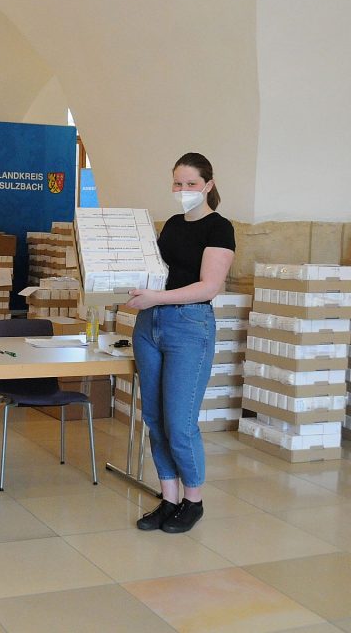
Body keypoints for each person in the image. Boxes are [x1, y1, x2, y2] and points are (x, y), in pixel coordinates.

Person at [126, 152, 235, 533]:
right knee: (155, 418)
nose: (183, 190)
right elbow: (155, 272)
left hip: (189, 327)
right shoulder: (171, 224)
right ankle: (168, 498)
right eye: (177, 183)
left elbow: (208, 287)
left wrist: (157, 298)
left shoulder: (219, 228)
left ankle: (193, 500)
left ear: (208, 184)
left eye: (190, 183)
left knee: (180, 421)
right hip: (149, 324)